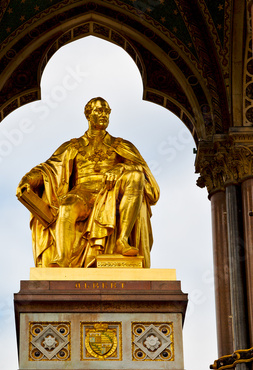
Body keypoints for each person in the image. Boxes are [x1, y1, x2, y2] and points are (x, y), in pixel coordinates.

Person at [17, 97, 159, 268]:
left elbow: (142, 172)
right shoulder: (73, 146)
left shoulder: (121, 145)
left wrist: (121, 168)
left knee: (135, 176)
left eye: (107, 111)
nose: (104, 114)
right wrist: (27, 180)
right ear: (88, 114)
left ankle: (122, 240)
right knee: (67, 206)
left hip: (111, 193)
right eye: (99, 110)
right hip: (82, 193)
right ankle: (63, 258)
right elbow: (48, 169)